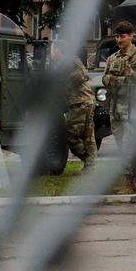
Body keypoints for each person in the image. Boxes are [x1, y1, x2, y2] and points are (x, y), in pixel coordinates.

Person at [102, 20, 136, 192]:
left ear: (131, 36)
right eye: (117, 36)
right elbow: (104, 79)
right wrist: (120, 80)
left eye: (122, 36)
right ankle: (129, 177)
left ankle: (130, 181)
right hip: (116, 108)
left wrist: (133, 75)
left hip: (133, 109)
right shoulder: (113, 57)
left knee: (129, 145)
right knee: (120, 145)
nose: (119, 40)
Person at [54, 41, 97, 173]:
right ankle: (91, 166)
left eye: (53, 49)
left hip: (81, 102)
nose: (52, 52)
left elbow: (83, 75)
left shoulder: (71, 60)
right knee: (88, 136)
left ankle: (89, 161)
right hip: (82, 102)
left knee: (70, 134)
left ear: (58, 50)